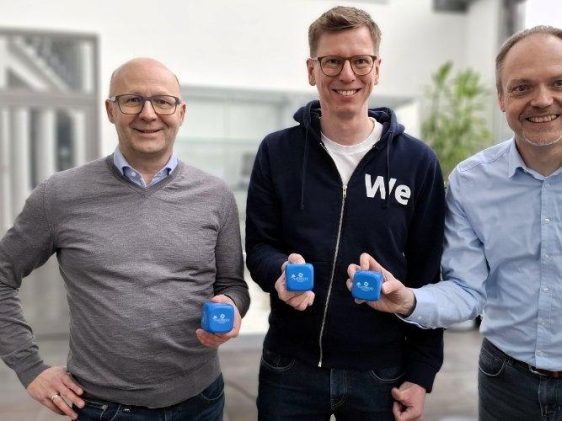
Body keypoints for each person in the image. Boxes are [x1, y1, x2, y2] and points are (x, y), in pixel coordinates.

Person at [347, 25, 562, 421]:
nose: (542, 99)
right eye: (522, 87)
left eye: (558, 82)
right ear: (502, 98)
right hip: (505, 385)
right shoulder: (472, 181)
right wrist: (409, 300)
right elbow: (468, 290)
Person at [0, 57, 250, 420]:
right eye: (133, 100)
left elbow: (232, 284)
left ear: (180, 113)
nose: (148, 114)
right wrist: (29, 367)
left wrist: (231, 304)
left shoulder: (215, 195)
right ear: (110, 110)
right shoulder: (59, 195)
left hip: (201, 402)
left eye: (162, 101)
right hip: (102, 408)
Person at [245, 6, 445, 420]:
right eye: (332, 61)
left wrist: (421, 374)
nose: (347, 74)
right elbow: (260, 246)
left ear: (377, 69)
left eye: (360, 61)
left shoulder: (417, 162)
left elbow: (430, 273)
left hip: (380, 370)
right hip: (290, 366)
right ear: (312, 70)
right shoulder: (278, 152)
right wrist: (279, 272)